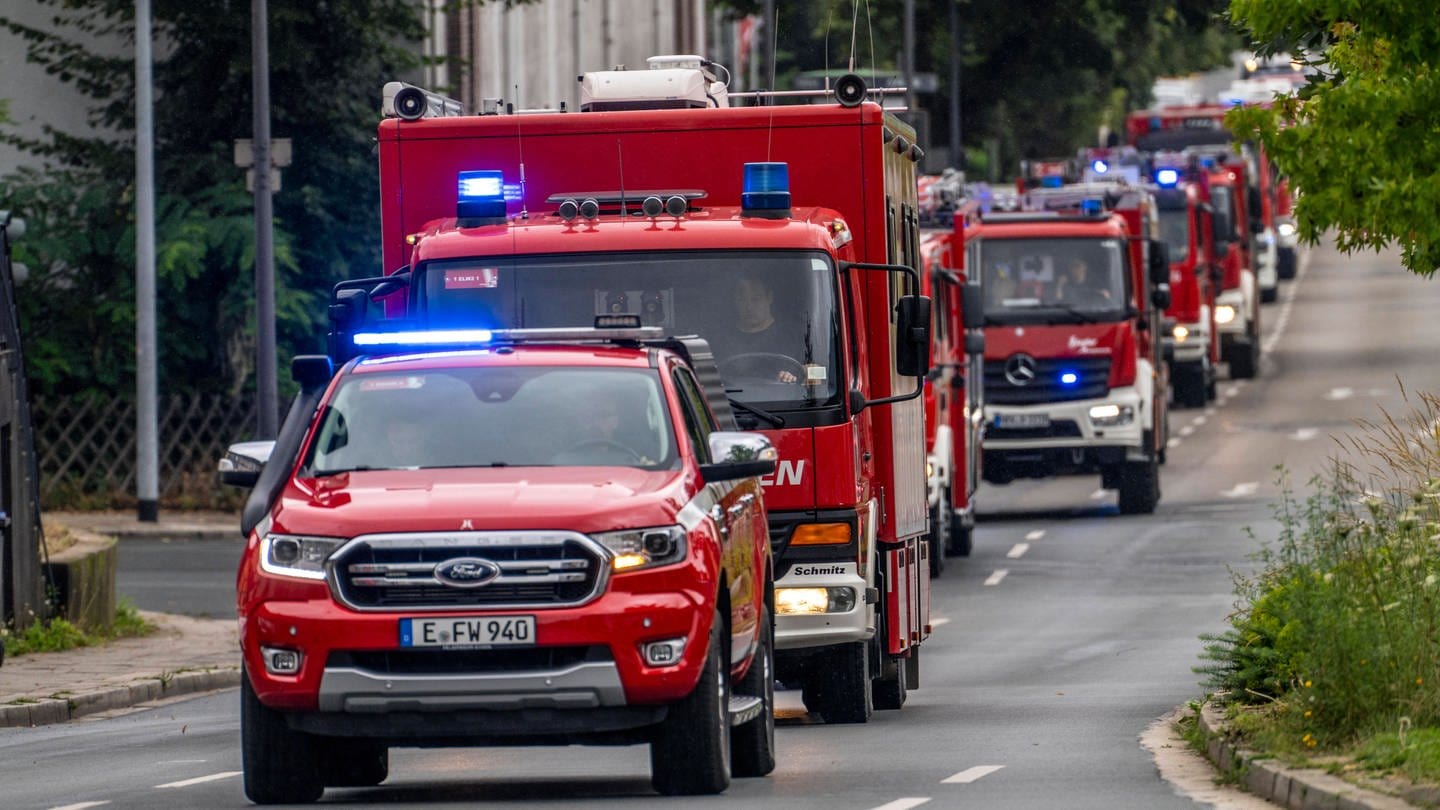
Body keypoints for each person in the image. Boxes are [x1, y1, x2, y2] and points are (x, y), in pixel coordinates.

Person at [722, 274, 799, 384]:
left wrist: (794, 377)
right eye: (742, 299)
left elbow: (813, 373)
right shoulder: (721, 339)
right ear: (734, 301)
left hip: (783, 400)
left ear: (769, 298)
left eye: (756, 299)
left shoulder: (793, 335)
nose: (749, 307)